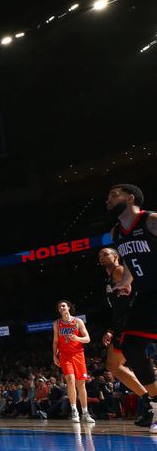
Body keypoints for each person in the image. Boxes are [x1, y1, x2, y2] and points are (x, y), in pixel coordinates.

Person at [107, 183, 157, 432]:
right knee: (131, 345)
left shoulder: (151, 220)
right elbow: (129, 260)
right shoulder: (117, 233)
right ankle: (156, 404)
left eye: (113, 195)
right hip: (146, 295)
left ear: (129, 198)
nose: (108, 200)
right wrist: (126, 282)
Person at [98, 246, 150, 425]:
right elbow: (117, 308)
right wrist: (111, 330)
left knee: (120, 363)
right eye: (100, 255)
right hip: (121, 324)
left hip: (131, 322)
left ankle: (151, 401)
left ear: (116, 257)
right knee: (113, 365)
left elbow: (136, 293)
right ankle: (149, 400)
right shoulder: (109, 278)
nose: (102, 257)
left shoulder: (120, 271)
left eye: (105, 254)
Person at [52, 300, 95, 423]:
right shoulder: (56, 323)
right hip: (65, 356)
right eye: (59, 306)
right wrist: (54, 355)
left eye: (63, 305)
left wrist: (77, 338)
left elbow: (87, 339)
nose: (61, 307)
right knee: (70, 380)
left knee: (81, 384)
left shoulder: (78, 321)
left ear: (69, 307)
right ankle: (74, 410)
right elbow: (55, 341)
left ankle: (85, 413)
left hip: (78, 355)